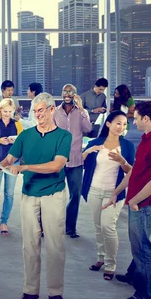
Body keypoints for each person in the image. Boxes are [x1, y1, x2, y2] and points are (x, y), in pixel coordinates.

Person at [0, 92, 72, 299]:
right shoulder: (25, 135)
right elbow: (9, 160)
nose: (38, 114)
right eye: (35, 111)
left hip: (53, 195)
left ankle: (55, 293)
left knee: (55, 246)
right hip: (29, 195)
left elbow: (56, 166)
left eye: (41, 110)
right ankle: (30, 291)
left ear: (52, 110)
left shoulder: (63, 136)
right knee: (29, 245)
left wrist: (25, 167)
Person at [104, 102, 151, 299]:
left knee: (142, 248)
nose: (133, 121)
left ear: (146, 119)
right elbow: (135, 171)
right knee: (138, 244)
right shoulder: (146, 139)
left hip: (144, 205)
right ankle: (134, 275)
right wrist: (117, 192)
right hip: (136, 201)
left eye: (136, 117)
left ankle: (143, 295)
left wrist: (135, 200)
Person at [81, 111, 135, 281]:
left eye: (125, 124)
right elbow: (79, 163)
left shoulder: (127, 146)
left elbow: (131, 172)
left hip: (114, 193)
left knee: (108, 227)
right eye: (118, 123)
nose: (122, 127)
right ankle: (100, 258)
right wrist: (88, 151)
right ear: (108, 124)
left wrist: (122, 161)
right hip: (94, 190)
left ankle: (111, 264)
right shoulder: (95, 143)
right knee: (98, 226)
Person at [53, 84, 92, 239]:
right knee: (54, 194)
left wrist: (82, 109)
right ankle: (49, 227)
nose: (67, 94)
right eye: (65, 91)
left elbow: (88, 129)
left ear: (76, 95)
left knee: (75, 195)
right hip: (58, 160)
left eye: (71, 91)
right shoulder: (55, 112)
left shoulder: (81, 113)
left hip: (76, 160)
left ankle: (70, 228)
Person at [0, 98, 23, 235]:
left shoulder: (18, 124)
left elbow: (22, 142)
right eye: (4, 111)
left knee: (9, 193)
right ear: (0, 110)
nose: (7, 114)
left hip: (13, 162)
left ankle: (4, 222)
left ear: (13, 111)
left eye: (9, 111)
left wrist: (15, 141)